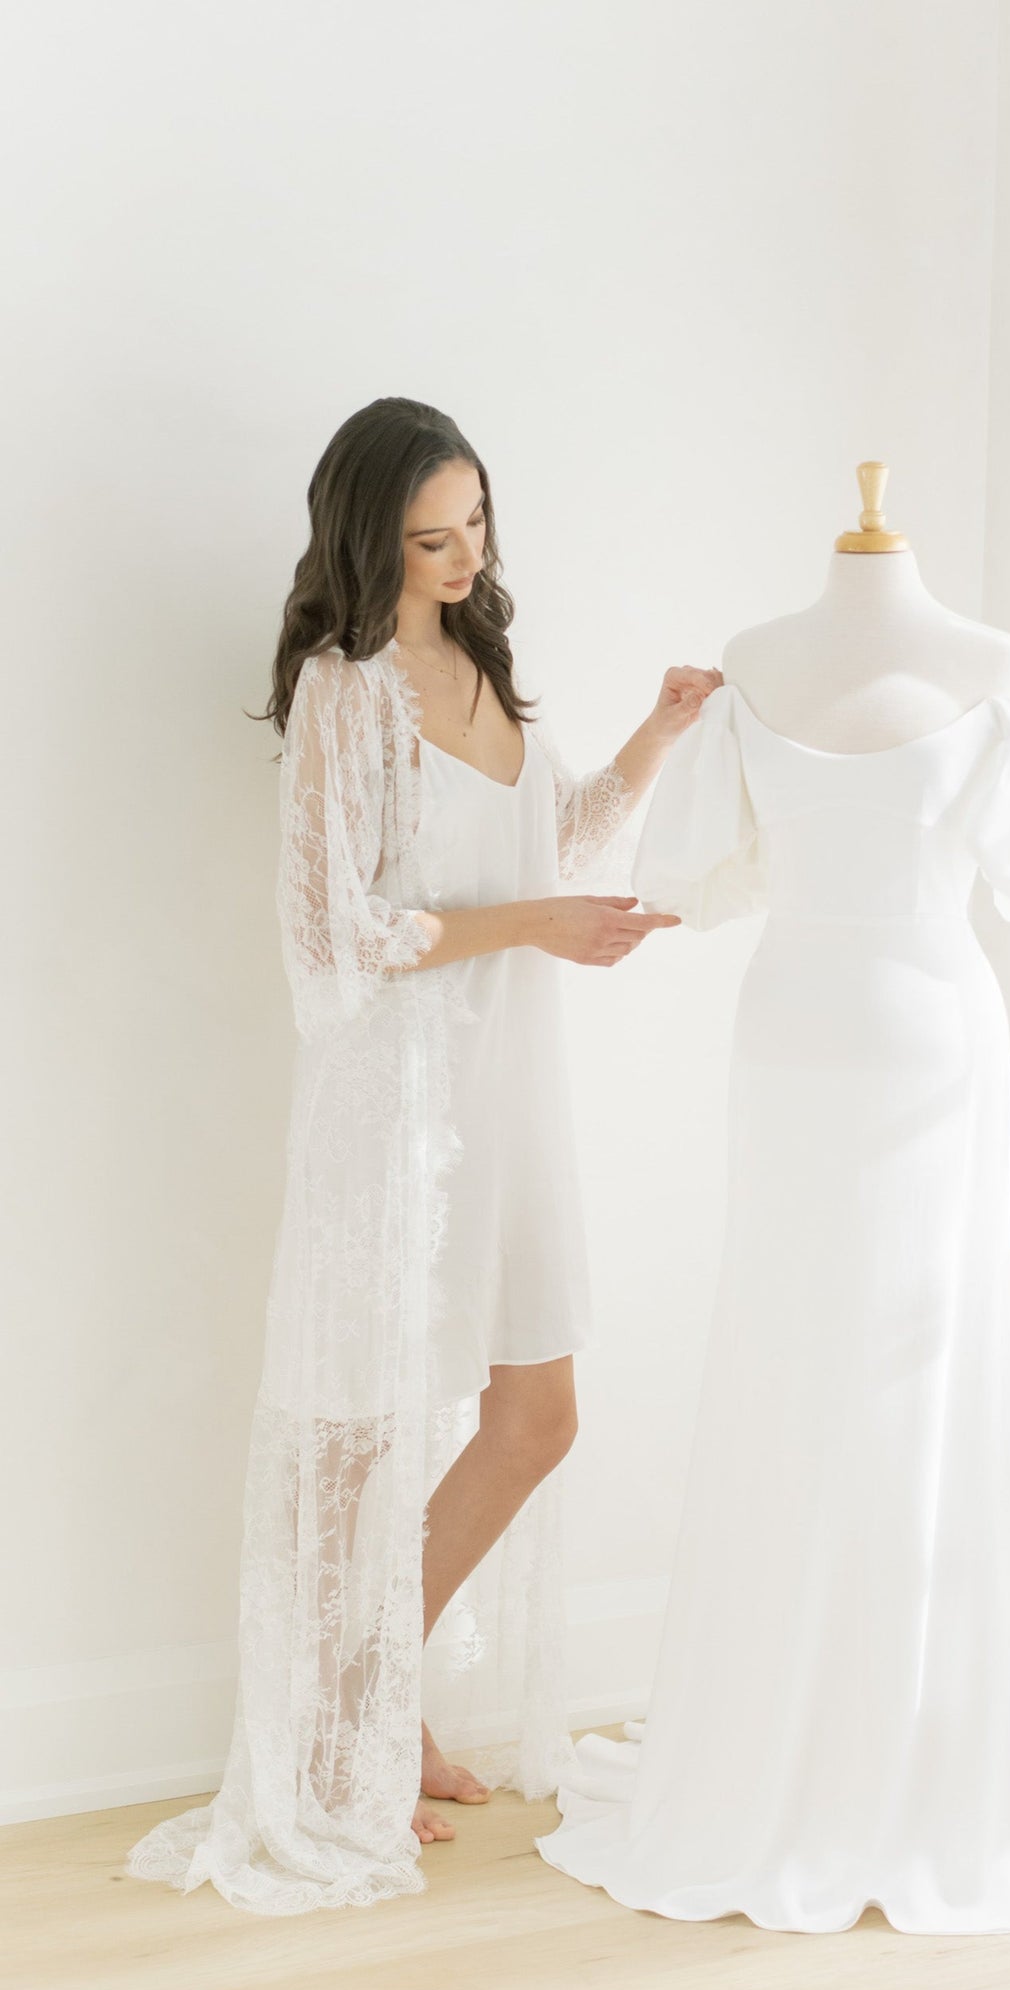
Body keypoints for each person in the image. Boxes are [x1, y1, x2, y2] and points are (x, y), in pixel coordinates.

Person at [126, 396, 718, 1913]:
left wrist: (656, 731)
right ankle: (340, 1739)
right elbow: (337, 933)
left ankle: (376, 1703)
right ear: (367, 538)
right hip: (394, 1108)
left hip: (512, 1092)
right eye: (431, 538)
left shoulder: (484, 666)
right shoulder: (347, 691)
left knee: (537, 1409)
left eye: (476, 530)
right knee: (368, 1433)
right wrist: (537, 930)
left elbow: (557, 844)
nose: (462, 561)